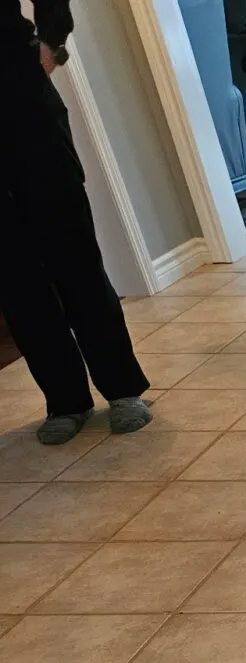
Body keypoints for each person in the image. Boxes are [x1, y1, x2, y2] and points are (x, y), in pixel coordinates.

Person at [0, 0, 152, 443]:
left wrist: (52, 42)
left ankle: (122, 388)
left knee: (73, 251)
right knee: (13, 275)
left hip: (18, 89)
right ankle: (66, 400)